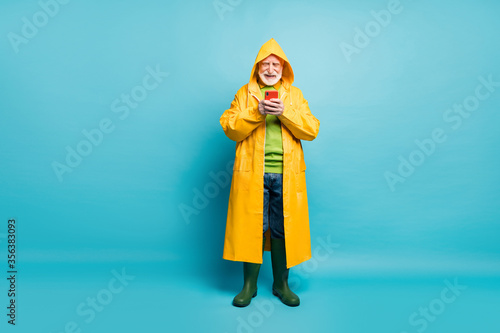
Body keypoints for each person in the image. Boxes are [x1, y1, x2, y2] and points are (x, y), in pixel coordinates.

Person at [220, 38, 319, 307]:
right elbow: (230, 129)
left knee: (282, 229)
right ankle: (249, 286)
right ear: (257, 67)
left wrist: (285, 113)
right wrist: (256, 112)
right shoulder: (245, 94)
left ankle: (281, 284)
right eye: (266, 64)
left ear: (283, 68)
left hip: (286, 177)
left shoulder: (294, 96)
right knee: (251, 227)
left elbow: (311, 130)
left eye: (276, 64)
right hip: (252, 175)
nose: (271, 68)